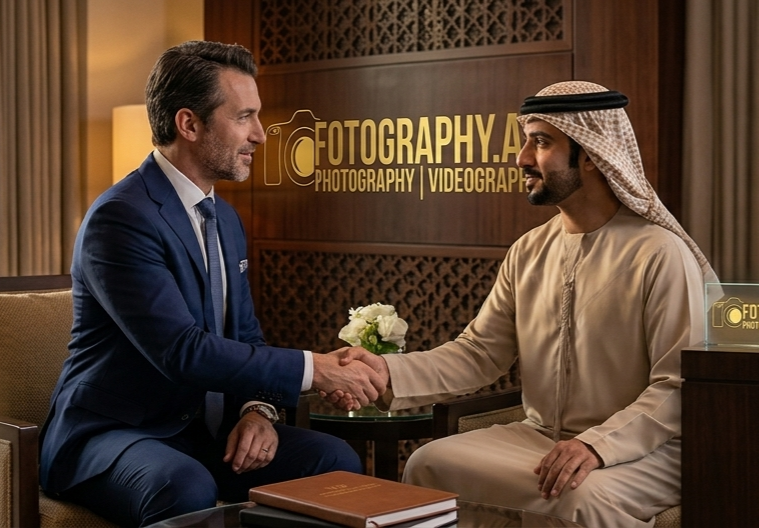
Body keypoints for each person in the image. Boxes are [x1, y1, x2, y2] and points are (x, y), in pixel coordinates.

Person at [330, 81, 718, 527]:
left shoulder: (659, 253)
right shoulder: (529, 250)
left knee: (576, 500)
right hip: (541, 438)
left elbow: (676, 385)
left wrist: (597, 446)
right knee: (428, 464)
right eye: (525, 141)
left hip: (642, 447)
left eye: (541, 142)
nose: (521, 158)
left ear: (592, 154)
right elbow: (479, 352)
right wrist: (386, 372)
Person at [38, 40, 382, 526]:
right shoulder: (120, 218)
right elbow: (181, 350)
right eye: (244, 117)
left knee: (335, 464)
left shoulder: (226, 218)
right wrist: (317, 370)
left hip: (203, 432)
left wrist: (258, 412)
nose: (261, 135)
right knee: (185, 485)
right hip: (113, 433)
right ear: (189, 124)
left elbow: (243, 337)